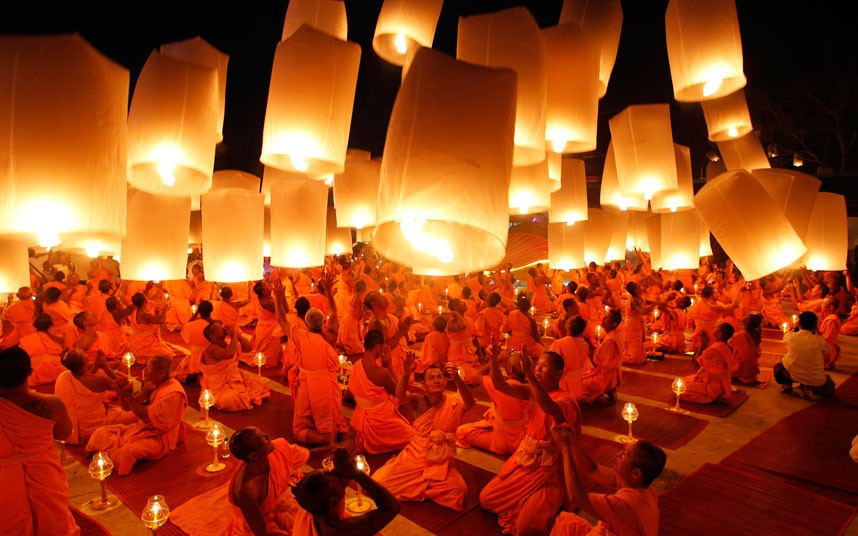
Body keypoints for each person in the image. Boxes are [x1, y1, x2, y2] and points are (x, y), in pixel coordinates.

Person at [479, 348, 583, 535]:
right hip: (527, 459)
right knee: (486, 499)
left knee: (525, 527)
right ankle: (528, 499)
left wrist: (529, 375)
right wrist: (494, 360)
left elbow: (549, 407)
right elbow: (500, 385)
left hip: (548, 469)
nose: (538, 369)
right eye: (538, 364)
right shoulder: (532, 391)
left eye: (544, 366)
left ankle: (551, 498)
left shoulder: (565, 400)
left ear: (559, 374)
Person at [371, 355, 475, 511]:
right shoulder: (418, 401)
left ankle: (420, 486)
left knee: (459, 490)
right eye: (431, 378)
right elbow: (400, 395)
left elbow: (470, 403)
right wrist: (406, 373)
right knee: (379, 482)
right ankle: (426, 488)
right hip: (415, 456)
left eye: (440, 377)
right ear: (424, 385)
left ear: (446, 382)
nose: (436, 380)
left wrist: (458, 379)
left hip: (440, 461)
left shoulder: (453, 402)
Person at [0, 346, 79, 535]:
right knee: (52, 519)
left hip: (4, 481)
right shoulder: (52, 404)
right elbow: (64, 433)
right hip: (44, 472)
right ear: (29, 372)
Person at [550, 424, 665, 536]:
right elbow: (592, 469)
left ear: (636, 473)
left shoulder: (626, 505)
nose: (619, 454)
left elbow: (577, 497)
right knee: (566, 523)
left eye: (625, 454)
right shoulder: (644, 489)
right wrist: (572, 442)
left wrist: (565, 449)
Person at [273, 276, 347, 445]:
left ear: (305, 323)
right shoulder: (331, 336)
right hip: (327, 384)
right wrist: (328, 291)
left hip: (308, 383)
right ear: (323, 322)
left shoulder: (301, 336)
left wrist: (278, 298)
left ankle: (326, 439)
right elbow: (334, 313)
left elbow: (281, 319)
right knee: (329, 417)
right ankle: (331, 434)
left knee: (299, 430)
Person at [86, 354, 187, 475]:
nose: (145, 370)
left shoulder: (173, 393)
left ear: (160, 373)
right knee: (100, 432)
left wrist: (128, 396)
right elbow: (127, 407)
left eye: (149, 367)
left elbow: (146, 417)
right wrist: (123, 392)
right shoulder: (151, 384)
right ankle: (111, 452)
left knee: (128, 451)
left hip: (160, 437)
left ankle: (110, 452)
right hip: (140, 428)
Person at [294, 447, 401, 536]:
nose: (334, 472)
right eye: (336, 478)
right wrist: (357, 474)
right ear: (333, 501)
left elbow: (339, 482)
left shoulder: (312, 504)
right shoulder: (338, 531)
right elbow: (392, 507)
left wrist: (345, 461)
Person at [348, 330, 416, 454]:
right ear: (378, 348)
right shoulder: (381, 373)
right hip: (378, 420)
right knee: (413, 436)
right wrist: (389, 365)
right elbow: (398, 392)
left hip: (360, 415)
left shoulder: (357, 365)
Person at [456, 346, 530, 455]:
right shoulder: (533, 388)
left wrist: (497, 359)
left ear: (509, 369)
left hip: (501, 441)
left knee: (462, 431)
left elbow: (477, 375)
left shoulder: (500, 387)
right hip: (524, 441)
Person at [55, 349, 135, 445]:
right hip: (93, 428)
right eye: (84, 353)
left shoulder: (62, 376)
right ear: (85, 362)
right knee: (137, 415)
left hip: (70, 431)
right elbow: (123, 386)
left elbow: (84, 379)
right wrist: (106, 367)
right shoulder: (98, 380)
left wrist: (96, 366)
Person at [200, 322, 269, 411]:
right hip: (219, 386)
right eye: (219, 328)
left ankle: (243, 394)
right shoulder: (211, 349)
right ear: (212, 336)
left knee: (261, 385)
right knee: (231, 399)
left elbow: (249, 348)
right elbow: (229, 354)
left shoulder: (229, 342)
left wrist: (237, 335)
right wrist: (234, 336)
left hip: (236, 378)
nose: (223, 328)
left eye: (221, 326)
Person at [774, 312, 835, 399]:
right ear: (815, 326)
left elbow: (786, 336)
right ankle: (809, 388)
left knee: (779, 366)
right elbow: (827, 359)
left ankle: (787, 384)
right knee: (830, 385)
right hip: (815, 378)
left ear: (799, 323)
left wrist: (795, 327)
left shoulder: (790, 336)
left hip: (793, 375)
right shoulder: (819, 340)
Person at [683, 323, 735, 404]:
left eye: (717, 327)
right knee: (685, 381)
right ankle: (716, 393)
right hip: (721, 384)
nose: (714, 328)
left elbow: (696, 362)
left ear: (720, 334)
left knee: (681, 390)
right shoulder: (726, 346)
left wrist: (703, 344)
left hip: (712, 386)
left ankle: (713, 396)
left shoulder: (716, 348)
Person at [581, 310, 625, 405]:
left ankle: (607, 389)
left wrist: (590, 345)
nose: (603, 319)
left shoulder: (610, 340)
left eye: (606, 318)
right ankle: (608, 390)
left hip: (607, 375)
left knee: (582, 384)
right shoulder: (613, 334)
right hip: (612, 372)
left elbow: (601, 362)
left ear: (613, 324)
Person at [18, 313, 67, 385]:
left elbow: (22, 358)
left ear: (35, 325)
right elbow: (63, 354)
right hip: (56, 371)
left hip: (34, 374)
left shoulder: (25, 340)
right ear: (51, 324)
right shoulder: (59, 339)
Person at [549, 316, 591, 399]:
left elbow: (551, 363)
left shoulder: (558, 344)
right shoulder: (584, 344)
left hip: (563, 387)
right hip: (580, 387)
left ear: (568, 327)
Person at [128, 292, 174, 364]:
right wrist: (165, 311)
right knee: (166, 354)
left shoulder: (136, 310)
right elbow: (161, 321)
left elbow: (154, 318)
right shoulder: (144, 314)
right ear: (144, 301)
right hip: (145, 342)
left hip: (138, 340)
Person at [175, 300, 215, 381]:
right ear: (211, 311)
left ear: (199, 311)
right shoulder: (215, 325)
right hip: (209, 356)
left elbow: (185, 326)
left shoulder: (190, 325)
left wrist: (196, 313)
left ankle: (195, 373)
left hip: (194, 356)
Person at [623, 282, 661, 365]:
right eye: (638, 287)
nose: (640, 287)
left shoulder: (638, 297)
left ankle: (638, 356)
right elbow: (644, 311)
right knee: (634, 345)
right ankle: (627, 357)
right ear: (635, 290)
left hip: (637, 322)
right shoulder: (633, 301)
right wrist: (655, 303)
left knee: (639, 342)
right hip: (632, 324)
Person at [446, 300, 479, 384]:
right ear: (455, 308)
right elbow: (462, 325)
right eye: (460, 303)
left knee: (480, 374)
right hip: (457, 355)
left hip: (468, 353)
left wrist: (480, 356)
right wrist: (455, 313)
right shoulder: (452, 322)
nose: (464, 303)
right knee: (469, 377)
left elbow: (474, 337)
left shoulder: (468, 319)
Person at [731, 313, 763, 385]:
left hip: (743, 365)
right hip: (752, 366)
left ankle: (739, 374)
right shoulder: (757, 333)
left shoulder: (739, 335)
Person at [819, 296, 841, 369]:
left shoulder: (832, 320)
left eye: (823, 304)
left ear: (831, 307)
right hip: (825, 344)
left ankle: (828, 361)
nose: (821, 305)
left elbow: (828, 337)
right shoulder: (828, 317)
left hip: (828, 348)